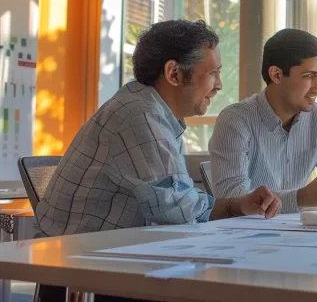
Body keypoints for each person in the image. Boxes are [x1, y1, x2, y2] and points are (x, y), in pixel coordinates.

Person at [34, 19, 281, 238]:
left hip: (108, 259)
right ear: (174, 73)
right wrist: (231, 207)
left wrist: (237, 205)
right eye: (213, 73)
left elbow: (180, 201)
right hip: (78, 272)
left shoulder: (157, 114)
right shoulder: (138, 114)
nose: (219, 85)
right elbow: (179, 210)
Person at [209, 28, 317, 213]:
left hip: (296, 232)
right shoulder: (235, 121)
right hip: (244, 237)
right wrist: (299, 198)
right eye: (308, 76)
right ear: (276, 75)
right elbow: (233, 201)